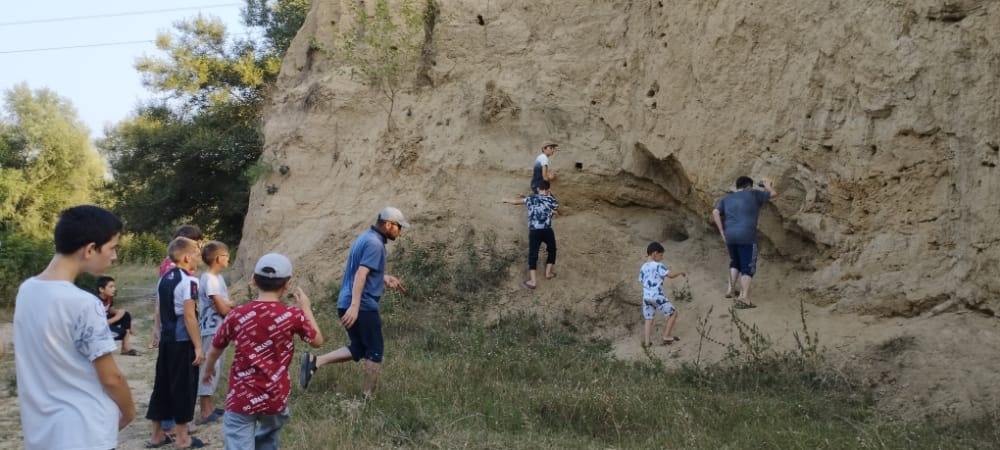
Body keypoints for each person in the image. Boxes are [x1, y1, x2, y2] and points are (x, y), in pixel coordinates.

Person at [13, 205, 136, 449]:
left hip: (42, 433)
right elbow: (111, 377)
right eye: (112, 248)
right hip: (85, 431)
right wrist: (129, 412)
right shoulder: (84, 304)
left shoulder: (26, 290)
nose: (114, 257)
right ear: (90, 249)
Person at [202, 253, 323, 450]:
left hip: (241, 398)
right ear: (287, 284)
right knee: (267, 442)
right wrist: (306, 308)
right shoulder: (293, 316)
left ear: (253, 280)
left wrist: (208, 370)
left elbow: (215, 348)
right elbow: (317, 341)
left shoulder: (237, 315)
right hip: (275, 398)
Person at [300, 207, 410, 398]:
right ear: (388, 225)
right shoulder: (375, 244)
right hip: (362, 305)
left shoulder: (365, 238)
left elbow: (361, 270)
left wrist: (383, 278)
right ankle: (368, 397)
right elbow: (360, 274)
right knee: (375, 351)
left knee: (359, 347)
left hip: (346, 302)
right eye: (398, 227)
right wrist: (355, 306)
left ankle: (314, 362)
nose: (400, 231)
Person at [146, 236, 206, 449]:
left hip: (167, 341)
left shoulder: (164, 278)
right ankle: (182, 438)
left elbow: (159, 310)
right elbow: (189, 316)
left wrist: (157, 331)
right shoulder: (190, 281)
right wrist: (198, 346)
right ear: (187, 257)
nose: (198, 258)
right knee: (183, 387)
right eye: (196, 254)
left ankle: (156, 435)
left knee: (162, 385)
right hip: (182, 342)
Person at [711, 176, 778, 309]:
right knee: (748, 266)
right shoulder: (753, 193)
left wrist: (722, 232)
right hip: (746, 235)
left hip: (730, 235)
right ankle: (744, 297)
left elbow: (715, 212)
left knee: (734, 262)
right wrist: (767, 185)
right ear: (749, 186)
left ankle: (730, 289)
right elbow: (773, 194)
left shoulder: (727, 198)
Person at [196, 241, 235, 425]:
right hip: (211, 329)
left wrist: (228, 305)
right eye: (226, 256)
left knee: (216, 367)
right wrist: (229, 306)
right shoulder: (209, 279)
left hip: (219, 328)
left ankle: (209, 407)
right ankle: (205, 411)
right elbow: (223, 308)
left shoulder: (217, 278)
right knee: (209, 367)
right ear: (218, 258)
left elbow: (227, 303)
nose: (228, 258)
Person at [502, 179, 559, 289]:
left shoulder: (531, 198)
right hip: (547, 230)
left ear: (537, 189)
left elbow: (515, 202)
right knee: (552, 250)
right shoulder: (551, 199)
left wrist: (505, 199)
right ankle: (548, 273)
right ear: (548, 189)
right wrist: (550, 198)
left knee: (533, 254)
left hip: (534, 231)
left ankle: (533, 281)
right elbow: (556, 210)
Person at [638, 242, 687, 346]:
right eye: (661, 255)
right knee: (673, 314)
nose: (662, 258)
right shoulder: (658, 265)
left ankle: (647, 343)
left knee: (648, 319)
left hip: (646, 297)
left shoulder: (643, 267)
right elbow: (671, 275)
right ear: (655, 253)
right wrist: (680, 272)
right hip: (657, 296)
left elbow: (641, 280)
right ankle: (667, 336)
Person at [97, 275, 140, 356]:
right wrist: (117, 317)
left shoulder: (109, 297)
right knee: (122, 332)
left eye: (114, 286)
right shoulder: (95, 302)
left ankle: (125, 348)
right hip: (95, 329)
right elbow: (99, 324)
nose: (114, 289)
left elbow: (110, 310)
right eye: (111, 287)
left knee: (125, 314)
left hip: (103, 323)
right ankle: (98, 347)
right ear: (101, 289)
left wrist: (124, 316)